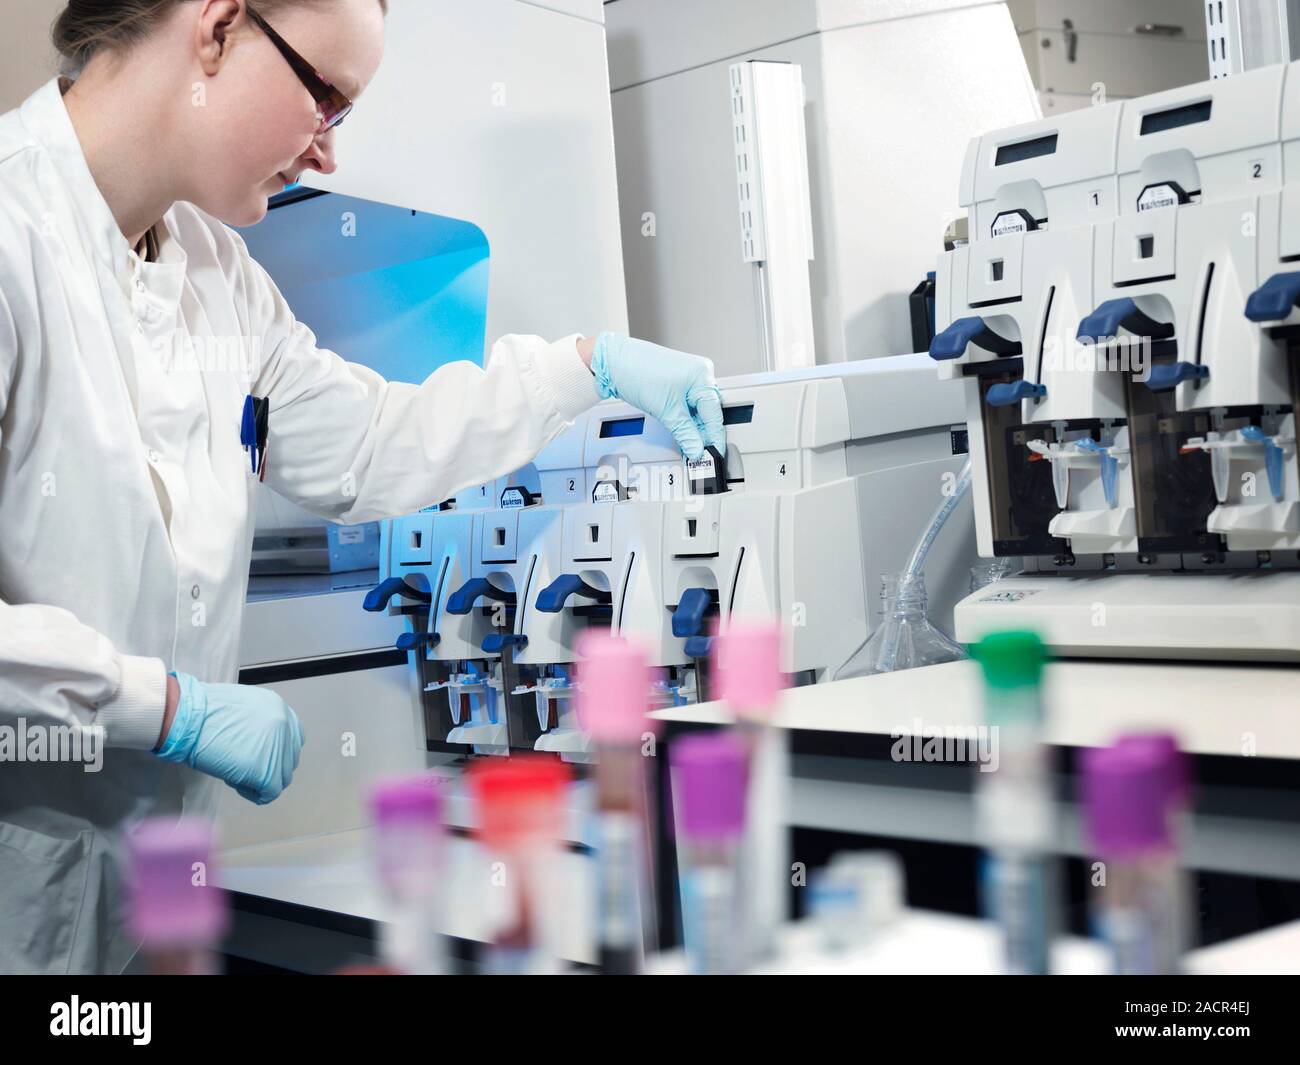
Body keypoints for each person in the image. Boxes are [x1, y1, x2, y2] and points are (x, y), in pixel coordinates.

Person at [0, 0, 725, 974]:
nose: (327, 156)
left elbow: (368, 443)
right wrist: (168, 708)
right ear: (216, 27)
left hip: (151, 886)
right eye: (325, 101)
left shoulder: (217, 273)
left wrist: (583, 366)